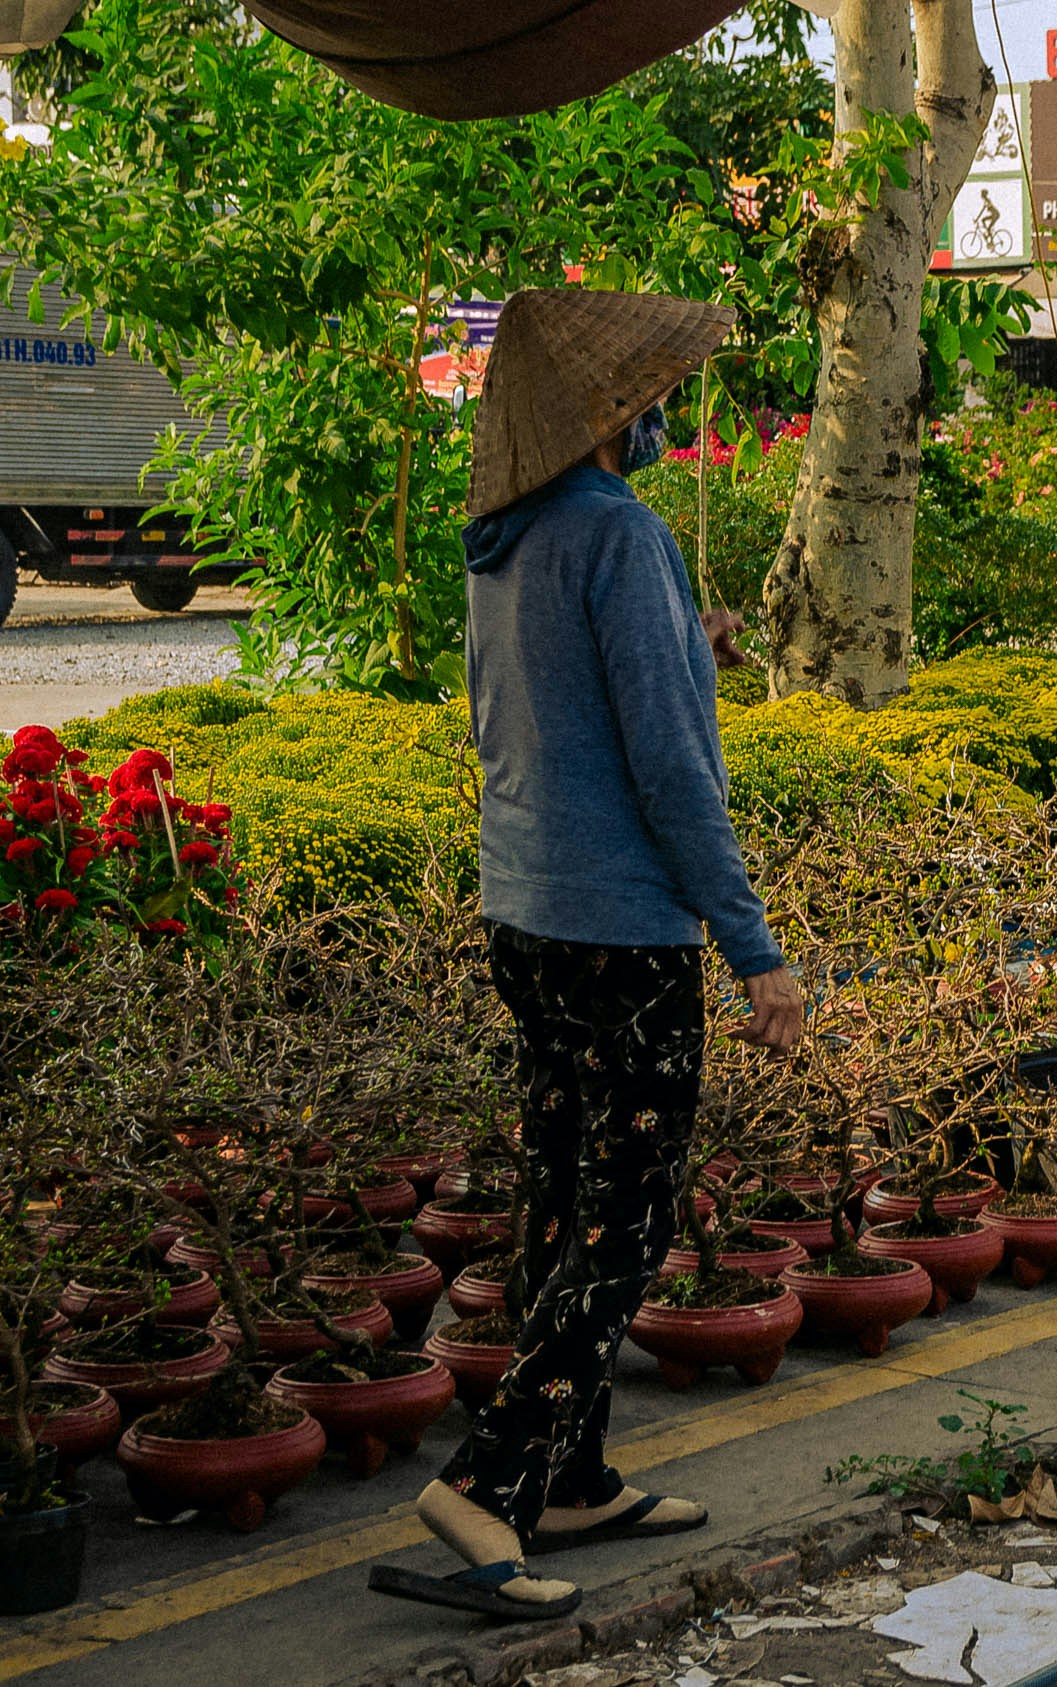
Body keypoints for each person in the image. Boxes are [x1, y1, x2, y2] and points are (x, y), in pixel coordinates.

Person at [373, 289, 805, 1621]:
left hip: (531, 915)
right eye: (655, 390)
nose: (668, 408)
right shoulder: (619, 533)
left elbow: (552, 704)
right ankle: (488, 1483)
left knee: (564, 1190)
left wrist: (696, 641)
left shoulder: (510, 537)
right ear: (616, 411)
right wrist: (755, 952)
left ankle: (576, 1474)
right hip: (624, 932)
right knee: (629, 1217)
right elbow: (672, 770)